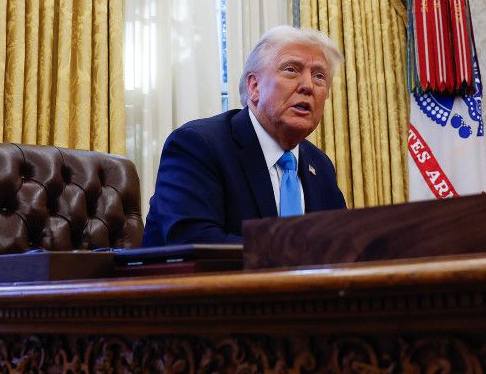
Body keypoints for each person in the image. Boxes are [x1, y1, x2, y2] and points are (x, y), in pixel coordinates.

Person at [142, 26, 348, 245]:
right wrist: (293, 256)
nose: (308, 85)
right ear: (254, 86)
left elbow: (342, 244)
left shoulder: (320, 165)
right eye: (291, 69)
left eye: (319, 76)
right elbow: (193, 243)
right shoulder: (198, 146)